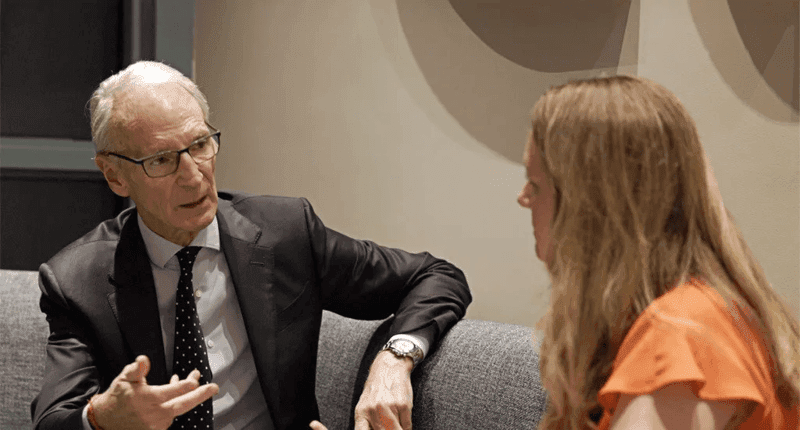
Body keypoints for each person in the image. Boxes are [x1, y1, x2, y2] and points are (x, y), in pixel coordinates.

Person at [31, 61, 471, 430]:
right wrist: (101, 418)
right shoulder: (77, 280)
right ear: (114, 175)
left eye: (200, 144)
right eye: (162, 159)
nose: (193, 175)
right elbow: (54, 419)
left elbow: (435, 276)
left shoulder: (285, 232)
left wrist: (395, 360)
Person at [517, 76, 799, 429]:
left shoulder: (679, 335)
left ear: (591, 207)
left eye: (536, 184)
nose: (523, 198)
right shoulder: (705, 311)